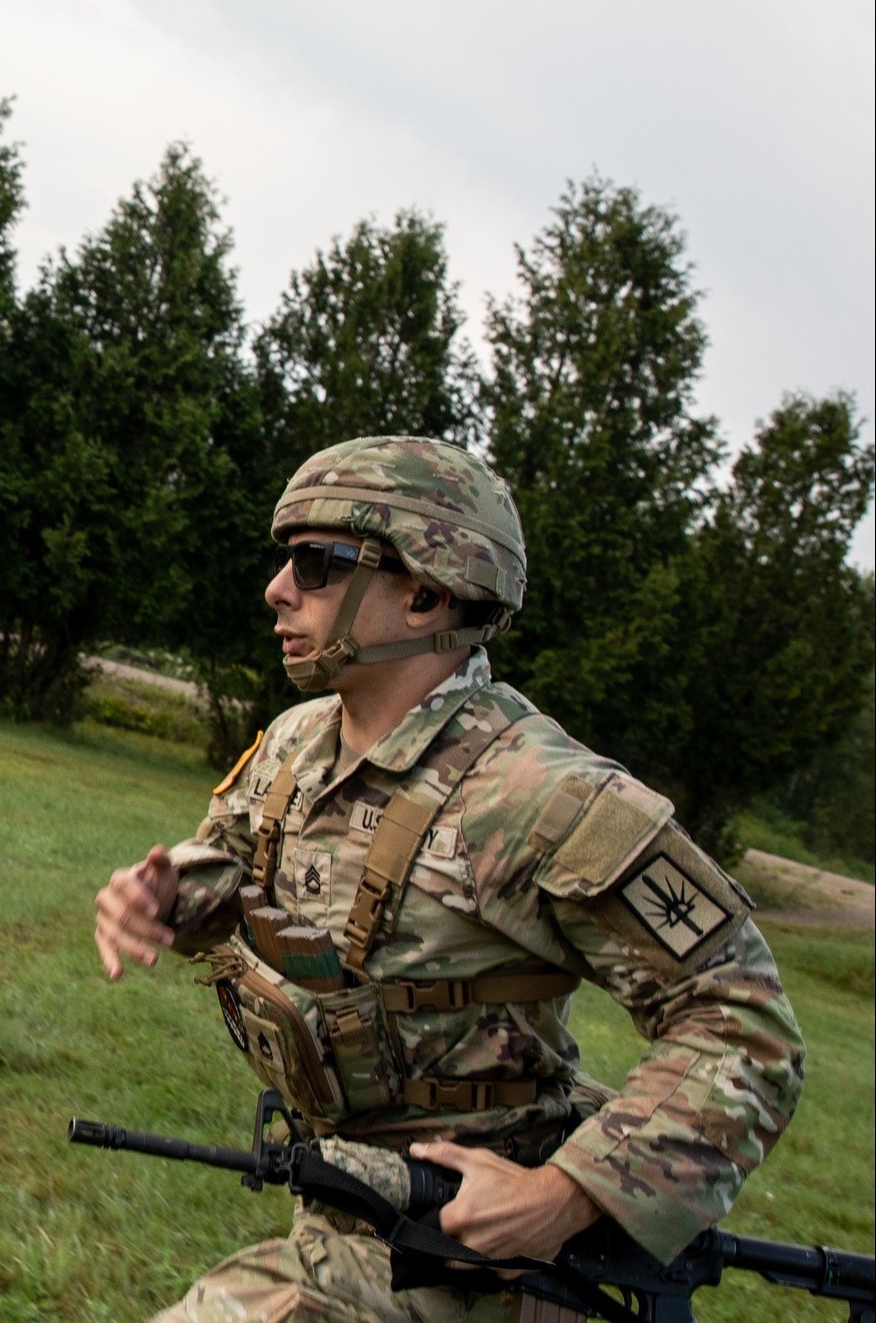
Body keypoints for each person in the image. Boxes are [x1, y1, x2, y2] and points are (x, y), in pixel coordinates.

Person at [92, 437, 803, 1322]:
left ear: (427, 593)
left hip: (479, 1270)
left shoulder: (543, 795)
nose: (278, 589)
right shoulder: (296, 744)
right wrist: (164, 897)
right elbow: (236, 864)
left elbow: (743, 1022)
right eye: (286, 561)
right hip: (350, 1218)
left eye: (317, 564)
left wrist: (568, 1195)